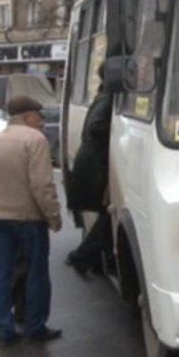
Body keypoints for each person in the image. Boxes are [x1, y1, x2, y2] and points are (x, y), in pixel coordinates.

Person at [0, 95, 64, 348]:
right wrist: (53, 216)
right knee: (37, 274)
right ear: (27, 117)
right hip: (29, 220)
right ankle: (35, 327)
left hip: (0, 219)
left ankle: (5, 329)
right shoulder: (35, 140)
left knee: (1, 276)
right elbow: (41, 185)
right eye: (39, 116)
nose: (42, 121)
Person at [65, 66, 112, 277]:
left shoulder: (104, 94)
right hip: (97, 166)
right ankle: (82, 257)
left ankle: (93, 260)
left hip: (95, 163)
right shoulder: (110, 97)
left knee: (109, 215)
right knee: (109, 216)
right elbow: (97, 127)